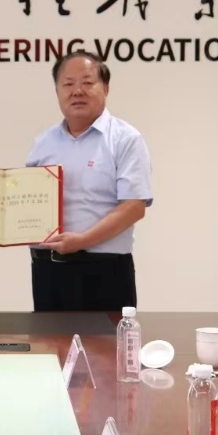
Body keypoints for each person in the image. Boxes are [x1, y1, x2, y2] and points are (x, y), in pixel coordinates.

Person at [25, 50, 153, 311]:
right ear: (57, 91)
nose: (77, 91)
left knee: (107, 340)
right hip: (48, 271)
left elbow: (134, 207)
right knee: (50, 339)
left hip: (105, 272)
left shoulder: (125, 139)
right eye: (68, 84)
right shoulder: (44, 143)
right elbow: (27, 202)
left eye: (87, 82)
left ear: (105, 88)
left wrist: (81, 240)